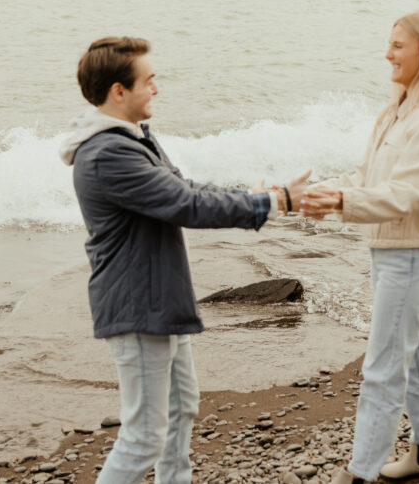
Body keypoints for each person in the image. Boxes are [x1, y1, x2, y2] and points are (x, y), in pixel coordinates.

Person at [59, 36, 308, 484]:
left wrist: (259, 198)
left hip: (160, 295)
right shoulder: (109, 154)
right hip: (138, 305)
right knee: (142, 438)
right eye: (149, 80)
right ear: (119, 90)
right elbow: (186, 206)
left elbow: (187, 189)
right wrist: (274, 202)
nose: (156, 88)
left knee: (180, 407)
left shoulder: (134, 139)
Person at [302, 11, 419, 484]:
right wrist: (320, 192)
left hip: (412, 255)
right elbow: (369, 177)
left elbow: (408, 194)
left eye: (397, 45)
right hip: (392, 250)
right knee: (415, 354)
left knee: (383, 368)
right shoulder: (401, 108)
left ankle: (360, 473)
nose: (387, 54)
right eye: (389, 44)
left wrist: (340, 201)